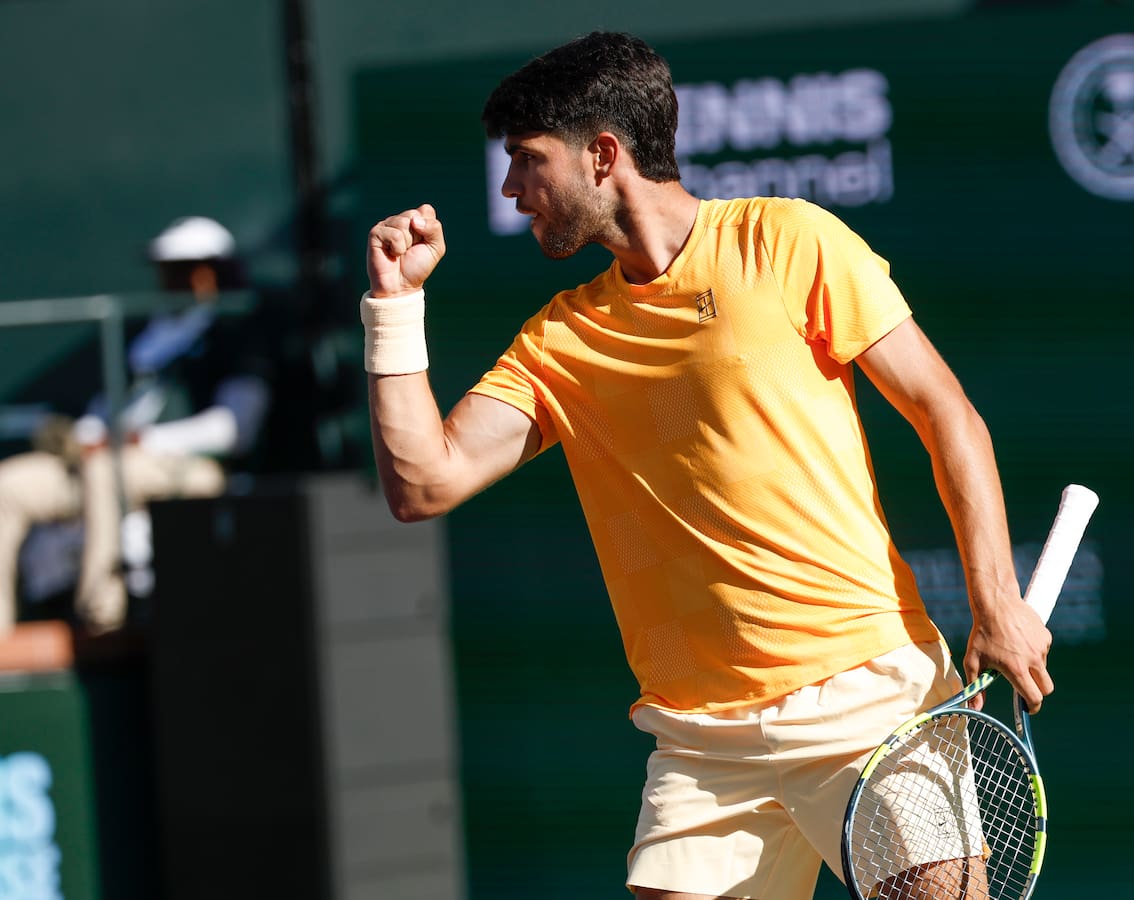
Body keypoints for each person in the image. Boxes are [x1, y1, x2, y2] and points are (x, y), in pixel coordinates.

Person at [362, 32, 1052, 900]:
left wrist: (996, 600)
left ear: (602, 154)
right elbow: (423, 482)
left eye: (527, 160)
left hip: (869, 696)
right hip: (701, 744)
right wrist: (395, 305)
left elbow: (945, 411)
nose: (511, 188)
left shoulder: (788, 240)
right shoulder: (559, 341)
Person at [0, 216, 270, 636]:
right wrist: (82, 435)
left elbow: (235, 429)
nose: (177, 282)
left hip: (194, 469)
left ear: (217, 272)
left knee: (104, 471)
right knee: (10, 485)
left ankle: (101, 616)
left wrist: (142, 441)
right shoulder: (148, 337)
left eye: (189, 270)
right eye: (170, 271)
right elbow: (106, 411)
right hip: (109, 464)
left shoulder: (235, 333)